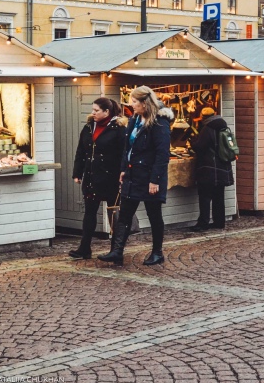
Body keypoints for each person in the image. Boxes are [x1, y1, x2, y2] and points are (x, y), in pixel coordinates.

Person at [98, 86, 173, 267]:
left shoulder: (159, 123)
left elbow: (162, 154)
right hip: (133, 175)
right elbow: (128, 148)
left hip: (149, 177)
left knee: (154, 215)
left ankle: (157, 252)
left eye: (134, 101)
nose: (131, 104)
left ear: (145, 103)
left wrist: (155, 180)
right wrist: (124, 169)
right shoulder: (134, 120)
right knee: (124, 214)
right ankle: (117, 251)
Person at [70, 97, 127, 259]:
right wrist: (77, 172)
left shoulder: (119, 129)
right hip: (91, 176)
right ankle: (84, 248)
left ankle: (116, 250)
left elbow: (124, 153)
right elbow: (81, 151)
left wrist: (124, 173)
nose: (93, 113)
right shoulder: (88, 127)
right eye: (93, 110)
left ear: (106, 112)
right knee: (89, 212)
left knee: (114, 213)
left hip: (111, 178)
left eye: (96, 110)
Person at [190, 107, 234, 232]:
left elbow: (200, 147)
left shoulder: (207, 129)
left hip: (209, 168)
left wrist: (193, 141)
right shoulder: (224, 127)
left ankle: (203, 223)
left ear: (204, 117)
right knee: (218, 197)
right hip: (222, 167)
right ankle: (219, 222)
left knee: (204, 196)